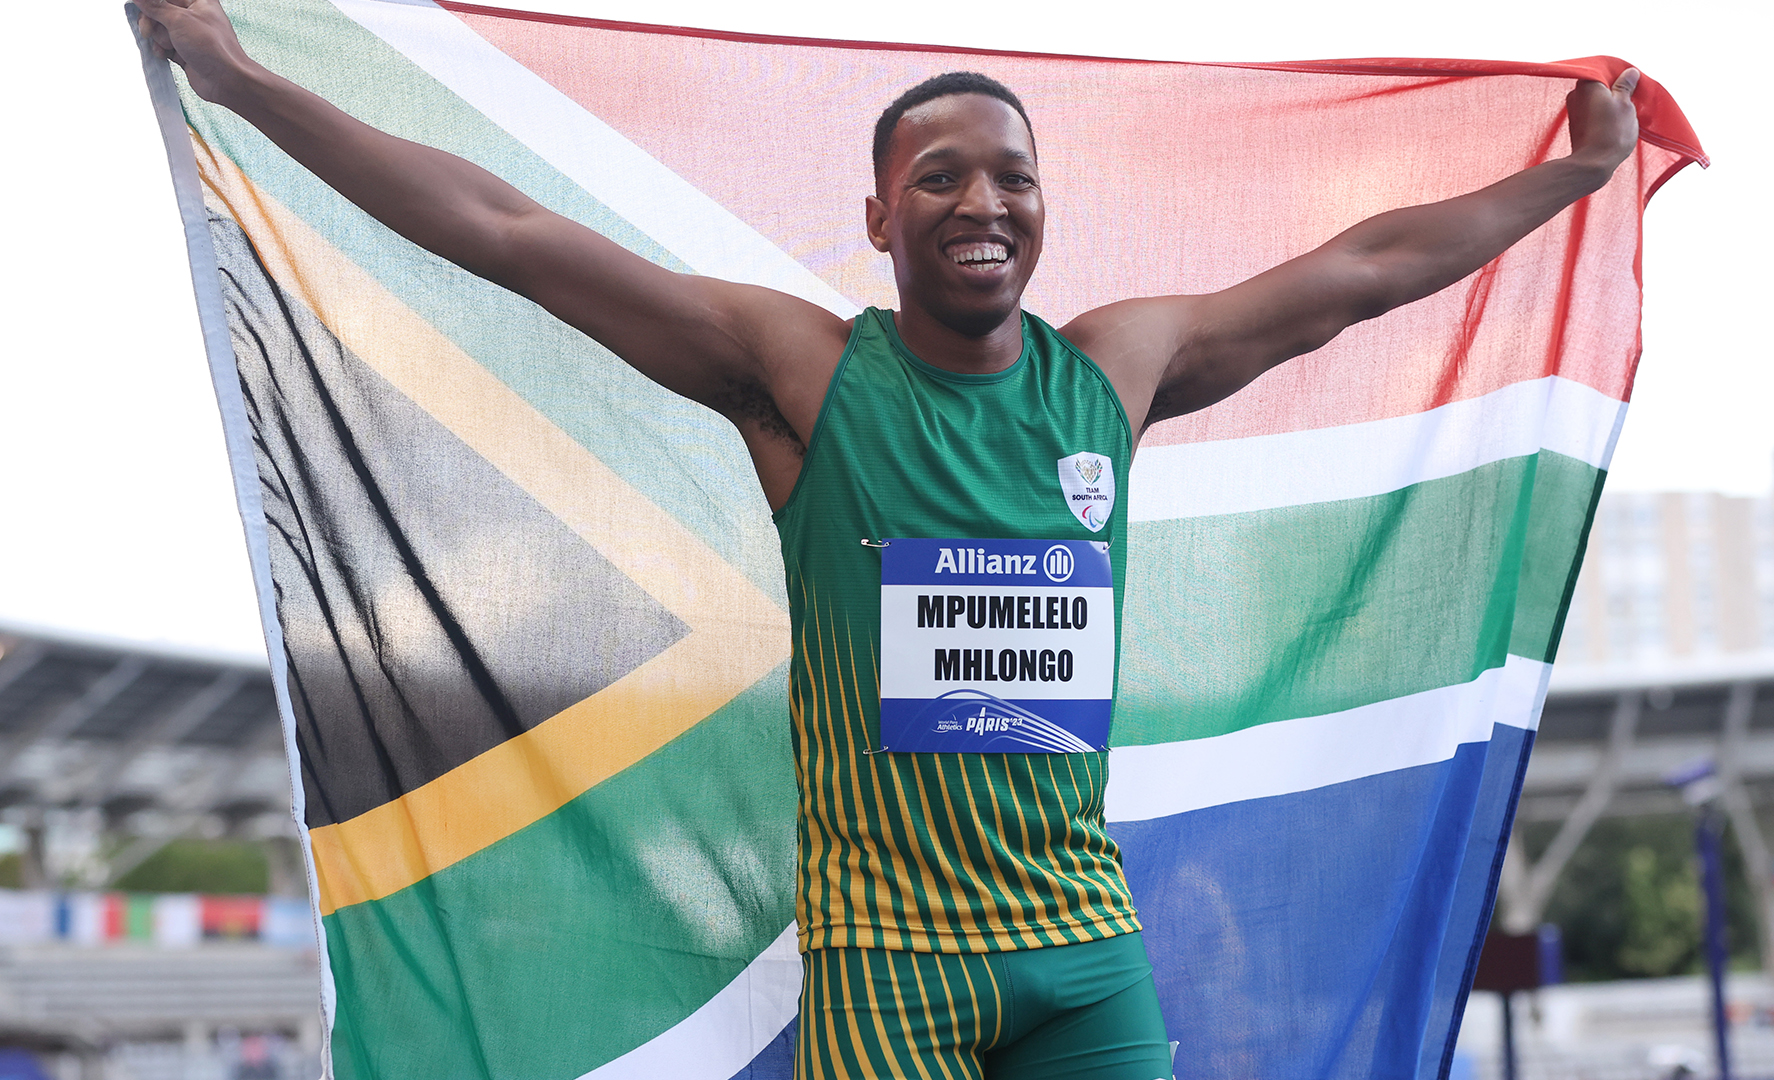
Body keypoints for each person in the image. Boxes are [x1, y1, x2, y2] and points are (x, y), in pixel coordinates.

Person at [134, 2, 1643, 1077]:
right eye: (941, 177)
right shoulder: (803, 378)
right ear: (878, 213)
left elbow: (1366, 267)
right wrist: (239, 77)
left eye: (1013, 179)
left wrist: (1569, 178)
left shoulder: (1111, 370)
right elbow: (511, 236)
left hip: (1083, 954)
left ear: (1045, 211)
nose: (982, 202)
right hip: (888, 976)